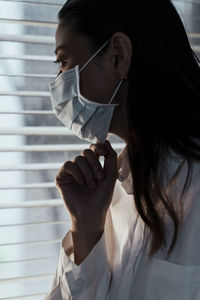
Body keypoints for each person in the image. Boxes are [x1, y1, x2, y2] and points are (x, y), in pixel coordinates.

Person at [45, 0, 200, 299]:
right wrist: (86, 228)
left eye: (63, 63)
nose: (57, 83)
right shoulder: (110, 198)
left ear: (118, 56)